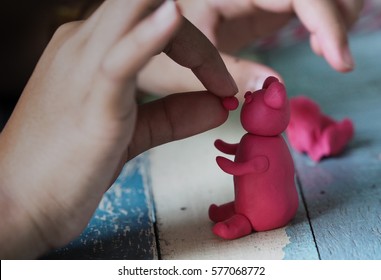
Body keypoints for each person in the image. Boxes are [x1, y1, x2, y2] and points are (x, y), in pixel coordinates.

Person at [0, 0, 363, 259]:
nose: (247, 99)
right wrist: (16, 207)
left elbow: (256, 168)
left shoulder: (268, 145)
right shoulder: (261, 141)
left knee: (253, 199)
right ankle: (241, 212)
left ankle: (244, 218)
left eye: (254, 101)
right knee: (248, 195)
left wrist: (236, 163)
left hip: (273, 212)